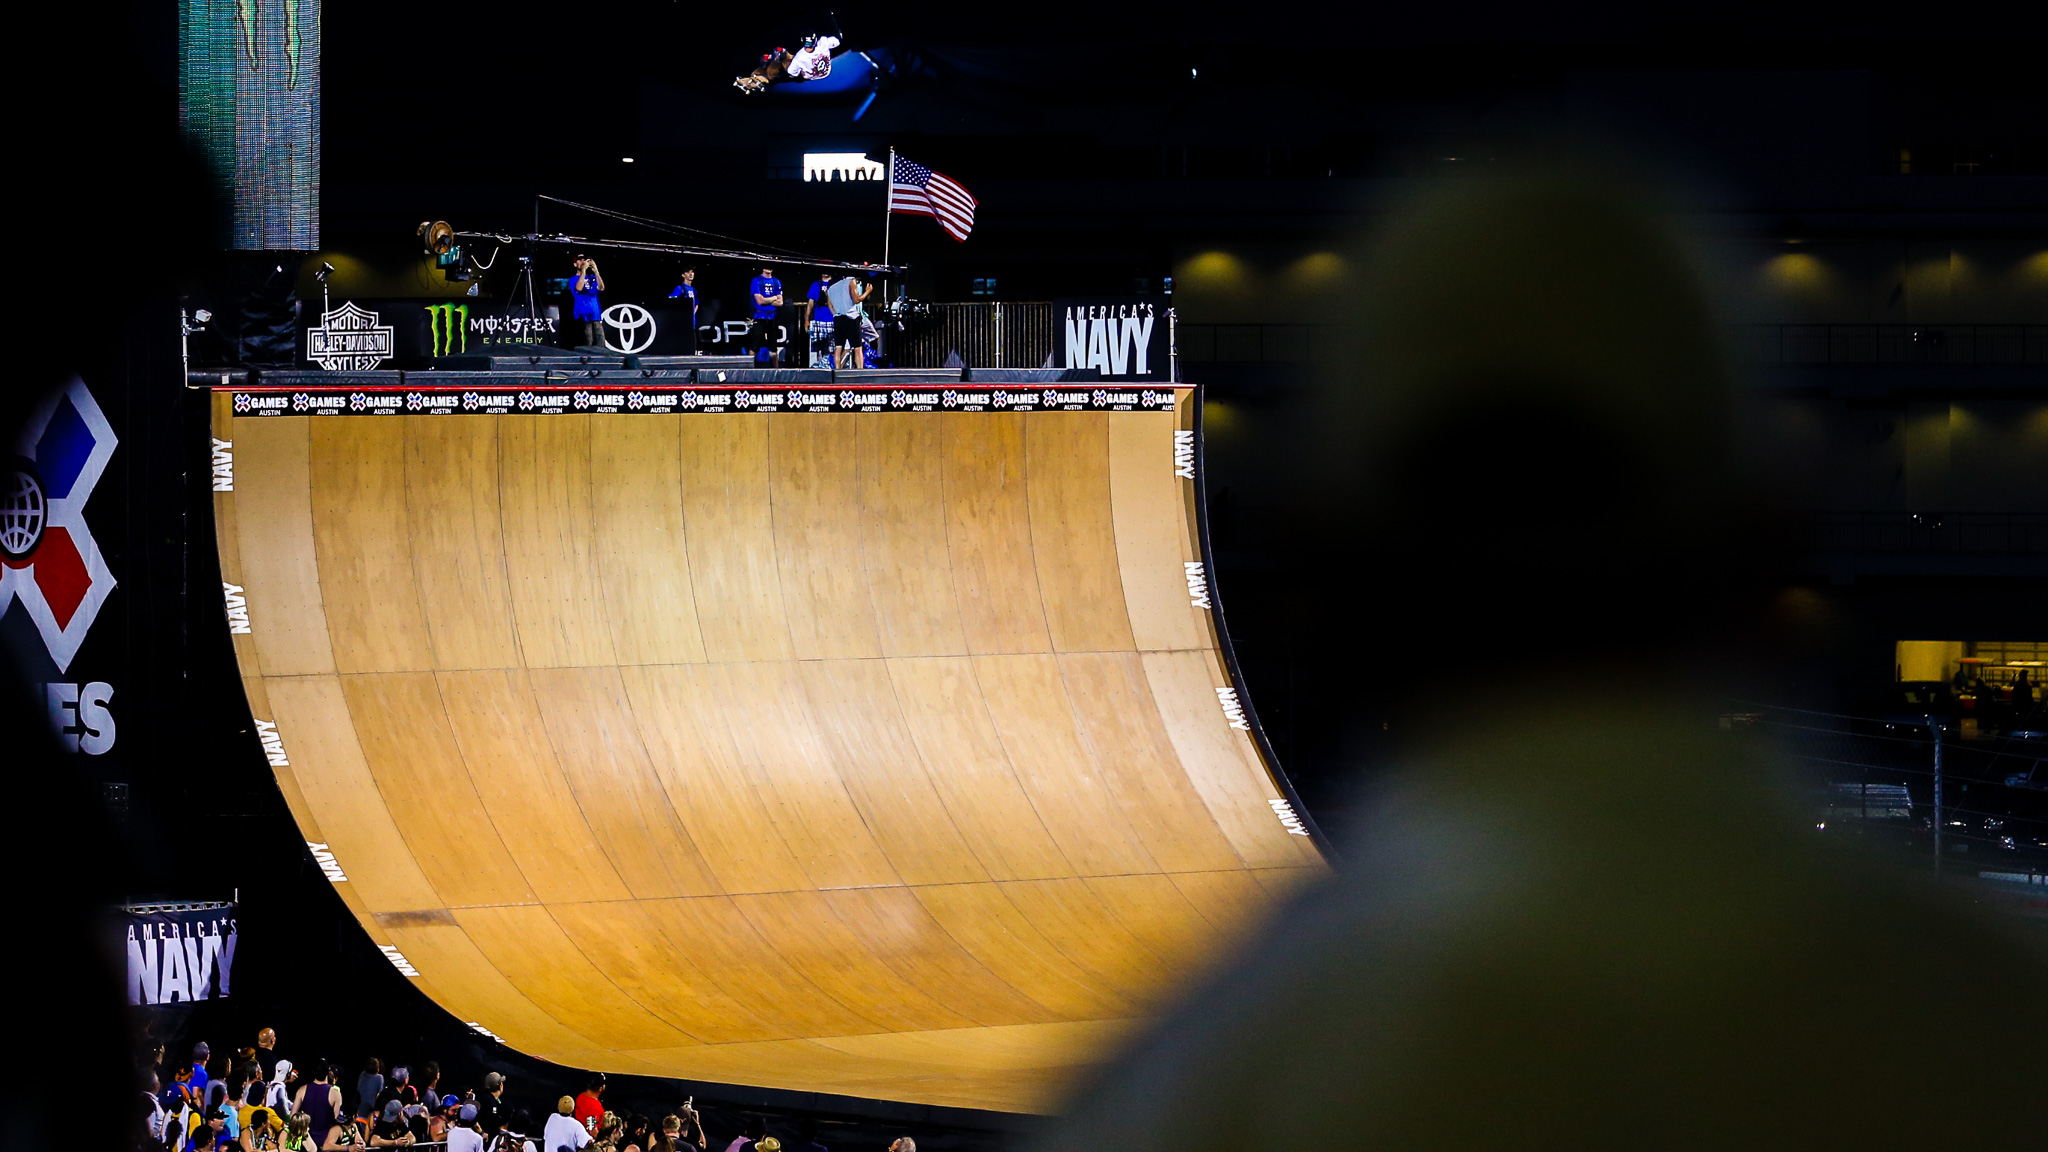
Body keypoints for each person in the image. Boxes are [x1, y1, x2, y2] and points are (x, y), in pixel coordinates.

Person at [291, 1062, 345, 1150]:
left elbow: (293, 1117)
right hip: (326, 1142)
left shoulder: (302, 1090)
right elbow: (337, 1120)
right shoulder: (335, 1093)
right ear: (328, 1073)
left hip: (306, 1142)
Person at [826, 275, 873, 369]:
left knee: (838, 347)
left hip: (838, 318)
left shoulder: (831, 287)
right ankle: (860, 372)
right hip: (851, 317)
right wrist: (867, 291)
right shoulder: (850, 281)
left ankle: (837, 371)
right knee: (857, 348)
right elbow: (856, 300)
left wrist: (836, 314)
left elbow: (830, 305)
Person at [744, 266, 784, 366]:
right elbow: (760, 301)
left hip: (773, 318)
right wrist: (774, 297)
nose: (769, 268)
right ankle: (749, 371)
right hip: (759, 317)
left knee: (773, 348)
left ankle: (777, 373)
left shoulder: (776, 281)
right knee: (754, 346)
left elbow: (780, 302)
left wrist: (766, 300)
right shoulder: (756, 281)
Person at [569, 255, 607, 350]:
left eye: (584, 259)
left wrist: (596, 271)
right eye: (579, 260)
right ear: (575, 264)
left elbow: (601, 288)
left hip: (595, 313)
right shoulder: (573, 279)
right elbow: (579, 288)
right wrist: (583, 271)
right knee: (587, 341)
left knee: (600, 340)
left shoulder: (592, 277)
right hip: (583, 314)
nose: (583, 261)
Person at [804, 271, 835, 366]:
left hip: (832, 320)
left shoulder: (835, 284)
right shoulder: (815, 285)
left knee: (832, 349)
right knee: (817, 348)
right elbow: (810, 304)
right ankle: (817, 369)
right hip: (818, 320)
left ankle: (832, 369)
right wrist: (807, 320)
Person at [353, 1059, 384, 1137]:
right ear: (378, 1069)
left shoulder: (362, 1074)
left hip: (358, 1112)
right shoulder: (379, 1078)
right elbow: (379, 1096)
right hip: (369, 1115)